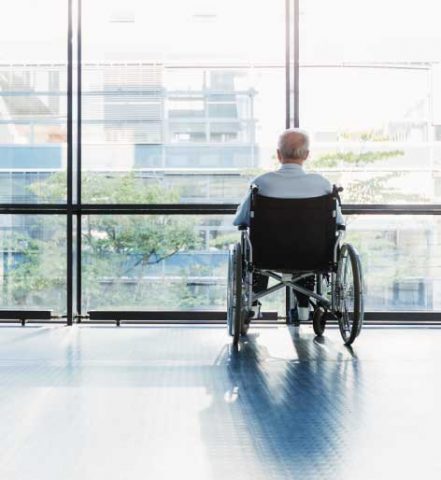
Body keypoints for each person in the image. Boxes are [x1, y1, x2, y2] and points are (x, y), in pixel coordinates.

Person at [233, 128, 344, 322]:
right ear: (307, 155)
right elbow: (340, 224)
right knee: (307, 249)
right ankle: (303, 306)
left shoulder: (261, 184)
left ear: (278, 154)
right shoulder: (322, 185)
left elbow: (240, 221)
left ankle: (252, 302)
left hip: (266, 255)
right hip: (314, 255)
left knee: (254, 248)